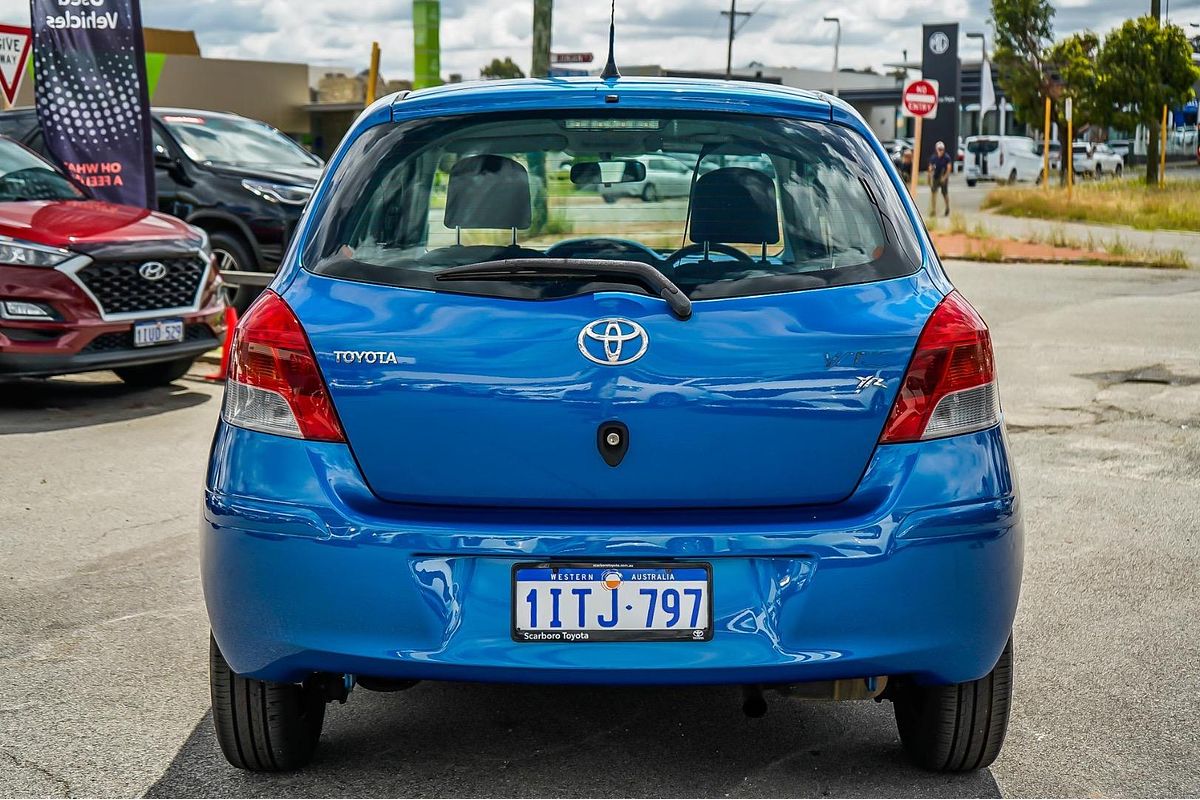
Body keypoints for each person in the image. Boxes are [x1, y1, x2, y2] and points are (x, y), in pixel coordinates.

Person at [928, 140, 952, 217]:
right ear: (936, 149)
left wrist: (944, 177)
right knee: (933, 193)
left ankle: (947, 207)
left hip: (943, 177)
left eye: (941, 149)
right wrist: (929, 176)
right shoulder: (933, 157)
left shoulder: (946, 157)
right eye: (939, 149)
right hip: (935, 177)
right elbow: (930, 168)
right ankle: (933, 210)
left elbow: (948, 168)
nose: (940, 150)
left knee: (944, 193)